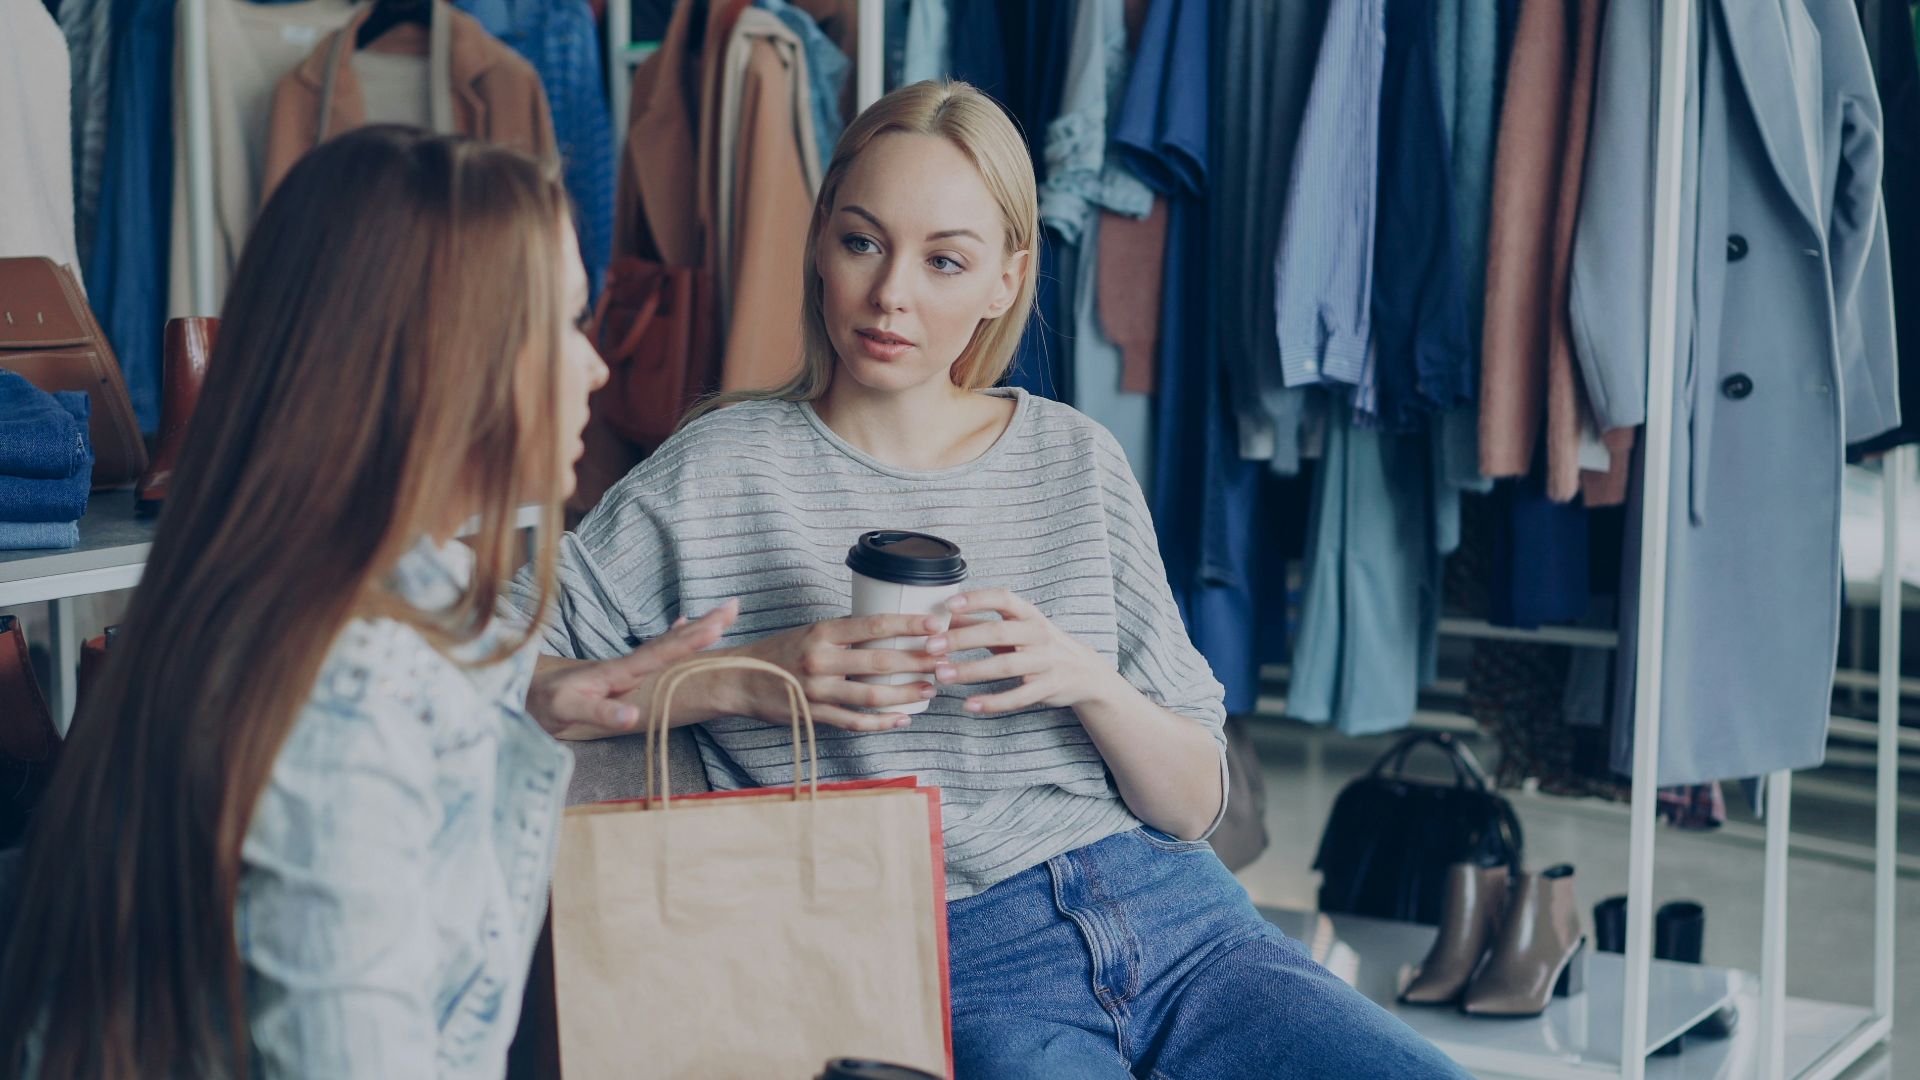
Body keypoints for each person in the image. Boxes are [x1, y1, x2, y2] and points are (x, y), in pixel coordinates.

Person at [518, 82, 1468, 1078]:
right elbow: (501, 672)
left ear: (1005, 282)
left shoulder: (1075, 458)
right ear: (818, 244)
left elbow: (1195, 807)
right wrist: (755, 675)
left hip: (1181, 920)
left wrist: (1083, 678)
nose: (892, 296)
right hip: (947, 953)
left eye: (945, 261)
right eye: (862, 243)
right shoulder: (722, 470)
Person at [0, 127, 737, 1079]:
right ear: (442, 362)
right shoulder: (347, 698)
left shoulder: (303, 583)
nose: (593, 367)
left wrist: (528, 695)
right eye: (558, 324)